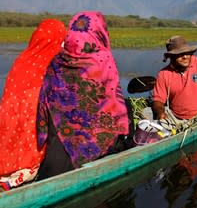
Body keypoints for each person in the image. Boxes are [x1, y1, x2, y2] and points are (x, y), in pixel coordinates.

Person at [35, 11, 129, 180]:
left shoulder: (57, 61)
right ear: (100, 32)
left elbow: (45, 103)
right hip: (97, 145)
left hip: (58, 149)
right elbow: (114, 109)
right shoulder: (102, 60)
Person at [0, 19, 67, 190]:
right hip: (33, 133)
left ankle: (3, 169)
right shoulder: (55, 63)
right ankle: (23, 173)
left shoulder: (23, 58)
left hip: (8, 128)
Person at [151, 35, 197, 131]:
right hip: (176, 118)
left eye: (187, 53)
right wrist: (160, 112)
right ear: (170, 56)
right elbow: (158, 100)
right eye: (180, 54)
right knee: (148, 112)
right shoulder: (164, 74)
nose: (185, 56)